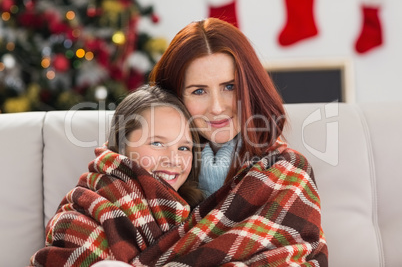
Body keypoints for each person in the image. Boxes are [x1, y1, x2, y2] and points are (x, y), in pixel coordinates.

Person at [147, 17, 329, 265]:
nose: (217, 107)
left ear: (251, 89)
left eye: (229, 87)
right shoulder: (147, 162)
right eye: (198, 91)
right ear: (174, 98)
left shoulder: (287, 170)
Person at [29, 85, 204, 266]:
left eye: (183, 148)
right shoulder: (83, 213)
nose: (174, 160)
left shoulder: (197, 215)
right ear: (122, 145)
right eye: (157, 143)